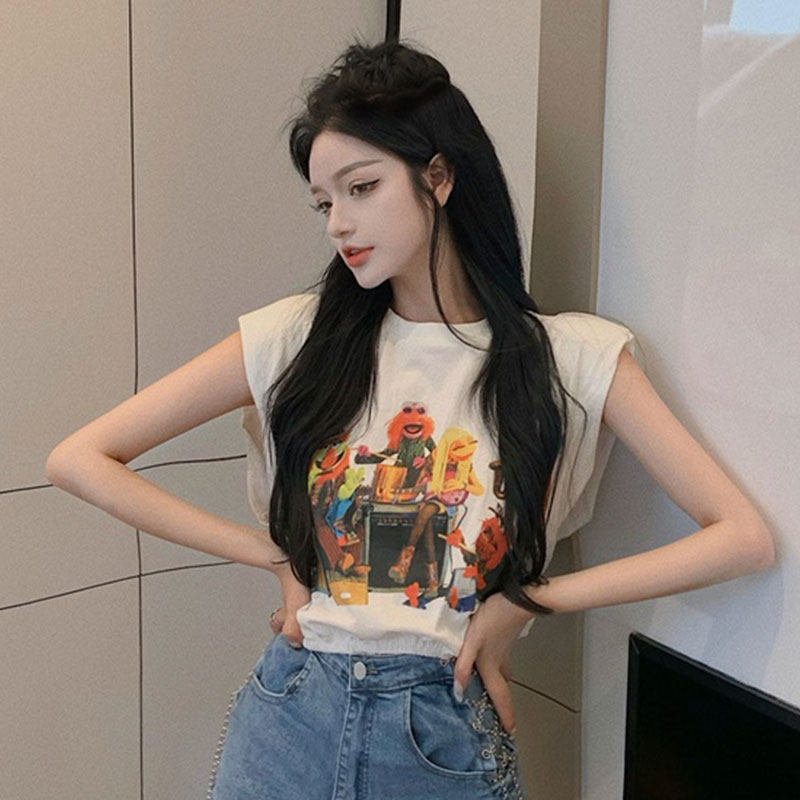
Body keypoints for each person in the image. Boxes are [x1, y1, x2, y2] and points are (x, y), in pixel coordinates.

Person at [45, 37, 775, 800]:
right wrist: (272, 556)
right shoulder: (297, 338)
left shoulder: (570, 358)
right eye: (325, 202)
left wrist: (531, 599)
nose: (338, 223)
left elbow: (739, 535)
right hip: (289, 722)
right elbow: (80, 459)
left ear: (440, 175)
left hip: (439, 737)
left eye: (361, 188)